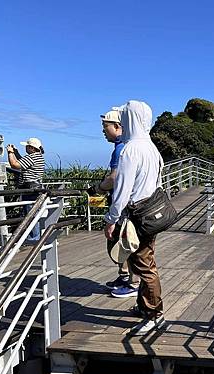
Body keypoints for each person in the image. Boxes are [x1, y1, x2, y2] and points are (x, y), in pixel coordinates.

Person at [104, 100, 165, 335]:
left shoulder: (131, 149)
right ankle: (144, 307)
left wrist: (112, 219)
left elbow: (122, 189)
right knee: (145, 261)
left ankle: (153, 314)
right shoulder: (151, 147)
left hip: (136, 215)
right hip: (151, 213)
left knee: (144, 266)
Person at [96, 110, 140, 297]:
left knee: (123, 240)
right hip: (128, 204)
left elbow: (114, 178)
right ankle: (124, 277)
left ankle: (133, 282)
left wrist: (98, 188)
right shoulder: (127, 146)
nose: (103, 131)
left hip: (123, 205)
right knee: (121, 241)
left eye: (105, 127)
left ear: (117, 127)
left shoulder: (121, 149)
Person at [6, 138, 45, 242]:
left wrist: (10, 152)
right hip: (36, 188)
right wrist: (16, 153)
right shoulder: (38, 157)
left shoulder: (32, 157)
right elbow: (24, 163)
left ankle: (33, 238)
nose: (25, 148)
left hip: (30, 190)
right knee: (31, 213)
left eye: (27, 146)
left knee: (30, 214)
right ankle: (32, 237)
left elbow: (15, 165)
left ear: (32, 148)